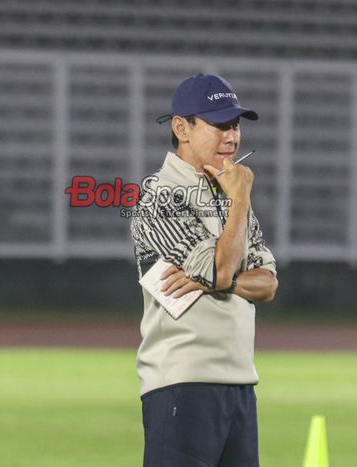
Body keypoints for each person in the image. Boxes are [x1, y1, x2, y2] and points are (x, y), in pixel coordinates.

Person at [130, 73, 278, 467]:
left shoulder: (228, 197)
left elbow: (267, 284)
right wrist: (241, 200)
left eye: (236, 125)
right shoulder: (159, 197)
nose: (232, 137)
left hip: (240, 383)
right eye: (219, 124)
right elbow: (225, 271)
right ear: (181, 127)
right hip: (182, 384)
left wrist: (210, 280)